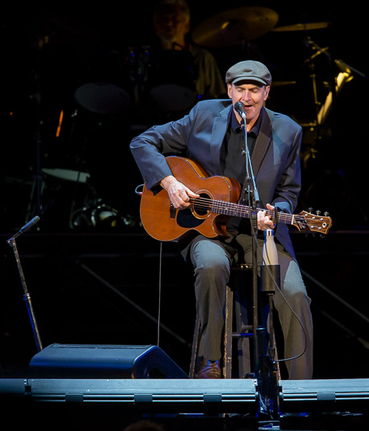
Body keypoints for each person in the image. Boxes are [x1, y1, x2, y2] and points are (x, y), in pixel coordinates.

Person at [129, 60, 313, 380]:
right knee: (212, 265)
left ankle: (302, 387)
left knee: (295, 292)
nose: (246, 97)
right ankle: (209, 362)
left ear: (266, 93)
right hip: (207, 233)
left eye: (254, 90)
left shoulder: (289, 131)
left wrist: (277, 210)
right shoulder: (202, 115)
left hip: (260, 236)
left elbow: (289, 191)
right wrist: (169, 183)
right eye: (239, 89)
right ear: (229, 91)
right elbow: (142, 142)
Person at [145, 0, 226, 114]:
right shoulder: (147, 58)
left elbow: (216, 99)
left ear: (187, 26)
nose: (168, 23)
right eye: (162, 19)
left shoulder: (202, 57)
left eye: (174, 18)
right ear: (155, 25)